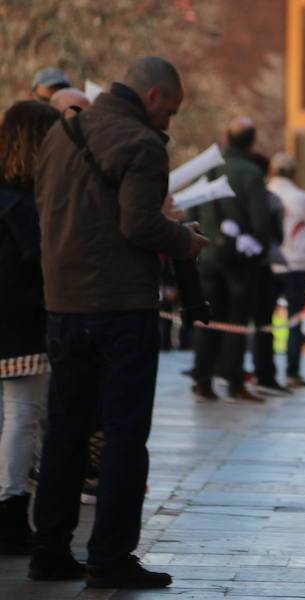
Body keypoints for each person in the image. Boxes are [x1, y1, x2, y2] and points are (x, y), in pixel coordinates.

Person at [32, 55, 208, 589]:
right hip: (120, 309)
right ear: (152, 97)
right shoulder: (141, 143)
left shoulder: (62, 133)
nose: (170, 123)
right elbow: (138, 223)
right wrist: (184, 239)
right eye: (171, 111)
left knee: (64, 432)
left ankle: (49, 550)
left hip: (63, 303)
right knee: (124, 435)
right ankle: (109, 557)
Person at [0, 100, 60, 554]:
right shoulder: (28, 201)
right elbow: (40, 258)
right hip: (21, 321)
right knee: (22, 418)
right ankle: (11, 513)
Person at [189, 117, 270, 403]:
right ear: (251, 141)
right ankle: (234, 380)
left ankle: (202, 379)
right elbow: (260, 219)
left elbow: (191, 209)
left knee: (209, 317)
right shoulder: (250, 173)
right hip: (238, 258)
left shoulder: (208, 169)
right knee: (236, 319)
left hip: (207, 253)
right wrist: (259, 247)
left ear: (226, 137)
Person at [268, 151, 305, 387]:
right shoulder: (301, 197)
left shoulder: (266, 193)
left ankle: (264, 368)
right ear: (294, 173)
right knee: (295, 318)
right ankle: (292, 371)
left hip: (270, 263)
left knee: (265, 316)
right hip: (296, 262)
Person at [247, 152, 291, 396]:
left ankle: (222, 371)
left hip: (232, 265)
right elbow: (278, 236)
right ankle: (265, 373)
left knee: (231, 317)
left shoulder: (231, 197)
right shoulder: (272, 200)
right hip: (263, 266)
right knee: (264, 321)